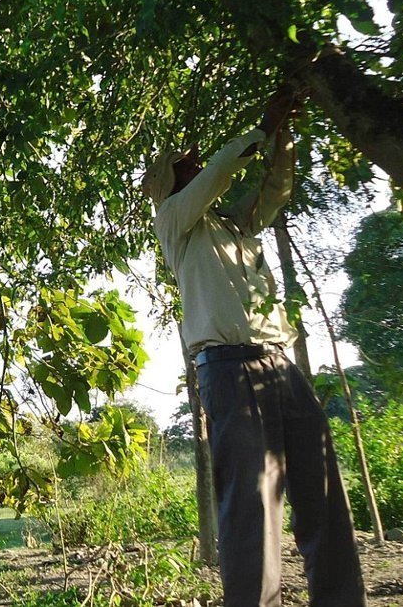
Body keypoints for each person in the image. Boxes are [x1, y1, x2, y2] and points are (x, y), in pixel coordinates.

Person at [142, 89, 368, 607]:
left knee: (323, 493)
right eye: (185, 166)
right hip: (228, 372)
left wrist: (281, 138)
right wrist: (259, 129)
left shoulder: (234, 227)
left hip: (280, 368)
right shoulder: (175, 221)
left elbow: (276, 190)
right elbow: (220, 170)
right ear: (169, 183)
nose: (196, 167)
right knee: (251, 506)